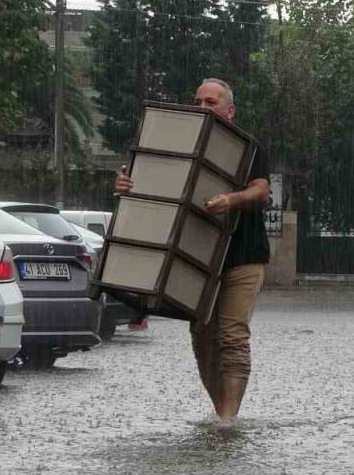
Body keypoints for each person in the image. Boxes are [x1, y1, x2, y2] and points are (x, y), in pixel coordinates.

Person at [113, 78, 271, 424]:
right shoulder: (173, 143)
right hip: (196, 259)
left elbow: (262, 191)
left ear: (229, 111)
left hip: (244, 256)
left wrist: (232, 199)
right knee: (201, 337)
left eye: (210, 102)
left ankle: (228, 420)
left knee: (232, 337)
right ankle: (221, 412)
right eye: (197, 101)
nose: (202, 108)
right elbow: (149, 184)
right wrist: (126, 184)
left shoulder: (250, 148)